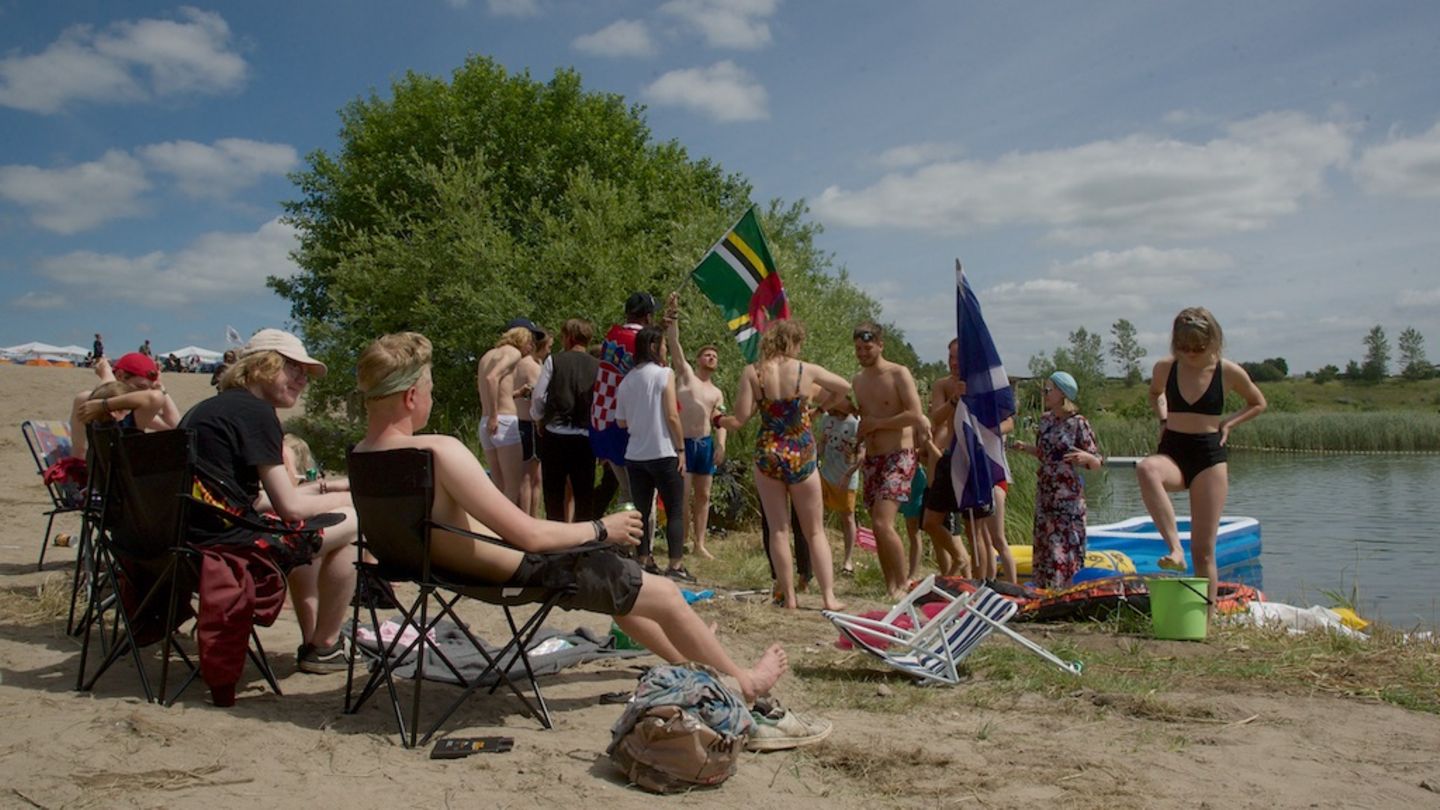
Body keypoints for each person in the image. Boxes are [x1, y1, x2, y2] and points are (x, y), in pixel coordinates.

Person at [350, 331, 789, 704]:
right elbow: (528, 534)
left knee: (623, 586)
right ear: (411, 397)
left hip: (445, 573)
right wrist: (602, 528)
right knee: (664, 592)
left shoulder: (362, 456)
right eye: (429, 389)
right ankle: (745, 682)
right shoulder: (438, 451)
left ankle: (689, 660)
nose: (431, 397)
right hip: (521, 571)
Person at [179, 329, 359, 677]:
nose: (303, 380)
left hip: (188, 543)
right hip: (232, 548)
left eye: (305, 374)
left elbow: (244, 497)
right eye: (294, 369)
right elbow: (290, 509)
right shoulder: (257, 413)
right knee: (356, 520)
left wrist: (323, 491)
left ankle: (318, 640)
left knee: (323, 526)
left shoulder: (205, 410)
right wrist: (345, 500)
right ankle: (324, 646)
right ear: (263, 365)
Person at [1137, 307, 1266, 617]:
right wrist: (1163, 417)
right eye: (1184, 348)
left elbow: (1258, 403)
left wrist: (1229, 423)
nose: (1191, 355)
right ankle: (1174, 548)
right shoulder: (1165, 368)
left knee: (1204, 550)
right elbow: (1155, 394)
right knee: (1146, 468)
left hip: (1209, 455)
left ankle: (1205, 621)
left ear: (1213, 342)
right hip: (1173, 449)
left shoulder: (1228, 371)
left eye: (1198, 348)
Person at [716, 320, 849, 611]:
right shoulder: (806, 370)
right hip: (801, 449)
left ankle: (789, 597)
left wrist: (717, 420)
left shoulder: (753, 372)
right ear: (794, 342)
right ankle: (828, 597)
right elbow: (844, 387)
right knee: (815, 531)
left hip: (769, 450)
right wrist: (820, 409)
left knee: (778, 530)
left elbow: (739, 419)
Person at [850, 323, 927, 599]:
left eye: (868, 347)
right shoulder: (858, 381)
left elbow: (915, 414)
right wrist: (859, 441)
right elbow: (864, 419)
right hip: (873, 458)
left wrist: (878, 423)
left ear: (880, 345)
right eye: (858, 348)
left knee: (883, 523)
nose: (863, 353)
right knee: (877, 526)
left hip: (899, 456)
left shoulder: (898, 373)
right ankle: (890, 586)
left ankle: (904, 584)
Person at [1010, 372, 1102, 589]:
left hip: (1067, 496)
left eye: (1048, 390)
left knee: (1062, 545)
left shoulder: (1078, 423)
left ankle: (1065, 589)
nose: (1045, 394)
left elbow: (1096, 461)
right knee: (1044, 541)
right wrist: (1026, 448)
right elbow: (1045, 453)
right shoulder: (1045, 420)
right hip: (1046, 492)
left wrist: (1087, 458)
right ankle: (1043, 590)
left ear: (1062, 393)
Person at [615, 326, 692, 581]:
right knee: (674, 509)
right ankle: (675, 564)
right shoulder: (663, 374)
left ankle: (644, 559)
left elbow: (621, 422)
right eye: (664, 345)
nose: (665, 349)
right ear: (653, 347)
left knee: (641, 510)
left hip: (635, 454)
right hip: (663, 450)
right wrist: (681, 448)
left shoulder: (627, 380)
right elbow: (672, 414)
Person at [663, 292, 727, 560]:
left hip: (705, 444)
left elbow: (720, 421)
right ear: (699, 359)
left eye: (715, 356)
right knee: (683, 494)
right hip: (684, 442)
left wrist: (721, 444)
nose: (711, 358)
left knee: (704, 495)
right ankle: (683, 538)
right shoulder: (687, 375)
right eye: (707, 355)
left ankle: (700, 543)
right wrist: (673, 313)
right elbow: (674, 343)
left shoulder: (717, 392)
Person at [590, 292, 658, 512]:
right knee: (639, 493)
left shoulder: (611, 336)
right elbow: (656, 380)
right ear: (648, 316)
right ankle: (636, 534)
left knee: (626, 490)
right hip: (627, 424)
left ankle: (626, 529)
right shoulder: (644, 342)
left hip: (601, 420)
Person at [531, 318, 600, 522]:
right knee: (584, 494)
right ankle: (584, 537)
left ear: (569, 337)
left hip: (556, 433)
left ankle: (556, 536)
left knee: (554, 494)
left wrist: (539, 418)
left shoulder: (554, 361)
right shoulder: (598, 366)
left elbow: (538, 395)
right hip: (585, 436)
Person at [68, 352, 180, 461]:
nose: (144, 393)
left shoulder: (135, 409)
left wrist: (160, 387)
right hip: (95, 469)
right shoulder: (87, 400)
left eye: (149, 389)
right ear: (120, 375)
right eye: (140, 387)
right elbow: (107, 395)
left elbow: (173, 425)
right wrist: (107, 375)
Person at [921, 338, 971, 578]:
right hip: (947, 462)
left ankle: (970, 580)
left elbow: (1006, 421)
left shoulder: (979, 384)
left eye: (958, 357)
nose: (954, 362)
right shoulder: (943, 385)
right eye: (950, 357)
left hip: (968, 459)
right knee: (930, 522)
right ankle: (957, 565)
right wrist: (954, 399)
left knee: (972, 530)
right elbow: (936, 418)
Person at [477, 319, 540, 506]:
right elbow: (492, 378)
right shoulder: (513, 352)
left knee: (498, 486)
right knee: (513, 487)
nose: (531, 347)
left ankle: (493, 523)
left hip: (485, 422)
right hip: (503, 421)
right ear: (522, 337)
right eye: (530, 341)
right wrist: (495, 416)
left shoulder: (487, 356)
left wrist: (517, 394)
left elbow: (490, 386)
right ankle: (509, 525)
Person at [815, 395, 861, 577]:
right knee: (816, 512)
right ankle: (817, 553)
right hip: (825, 474)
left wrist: (850, 470)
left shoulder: (856, 424)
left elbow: (861, 454)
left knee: (847, 517)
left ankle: (848, 560)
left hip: (846, 479)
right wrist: (813, 459)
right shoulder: (827, 419)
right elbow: (822, 442)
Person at [513, 327, 550, 517]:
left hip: (517, 421)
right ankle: (528, 518)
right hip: (530, 423)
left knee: (530, 476)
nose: (549, 351)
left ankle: (526, 517)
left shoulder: (516, 364)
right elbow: (539, 397)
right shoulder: (533, 368)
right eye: (548, 347)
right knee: (530, 478)